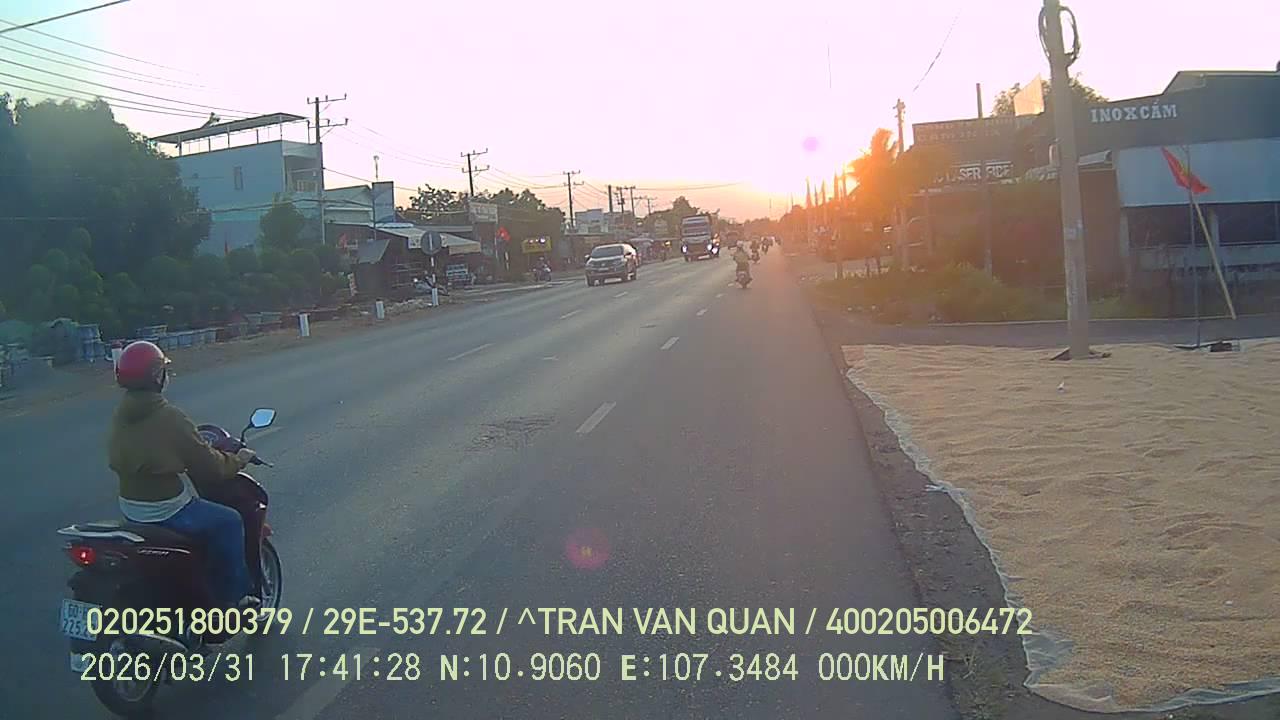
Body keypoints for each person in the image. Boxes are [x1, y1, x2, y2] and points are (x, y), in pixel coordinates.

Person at [108, 340, 260, 609]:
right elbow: (211, 468)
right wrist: (239, 460)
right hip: (167, 510)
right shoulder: (170, 417)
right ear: (157, 376)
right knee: (230, 521)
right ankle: (234, 599)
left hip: (131, 508)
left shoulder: (120, 415)